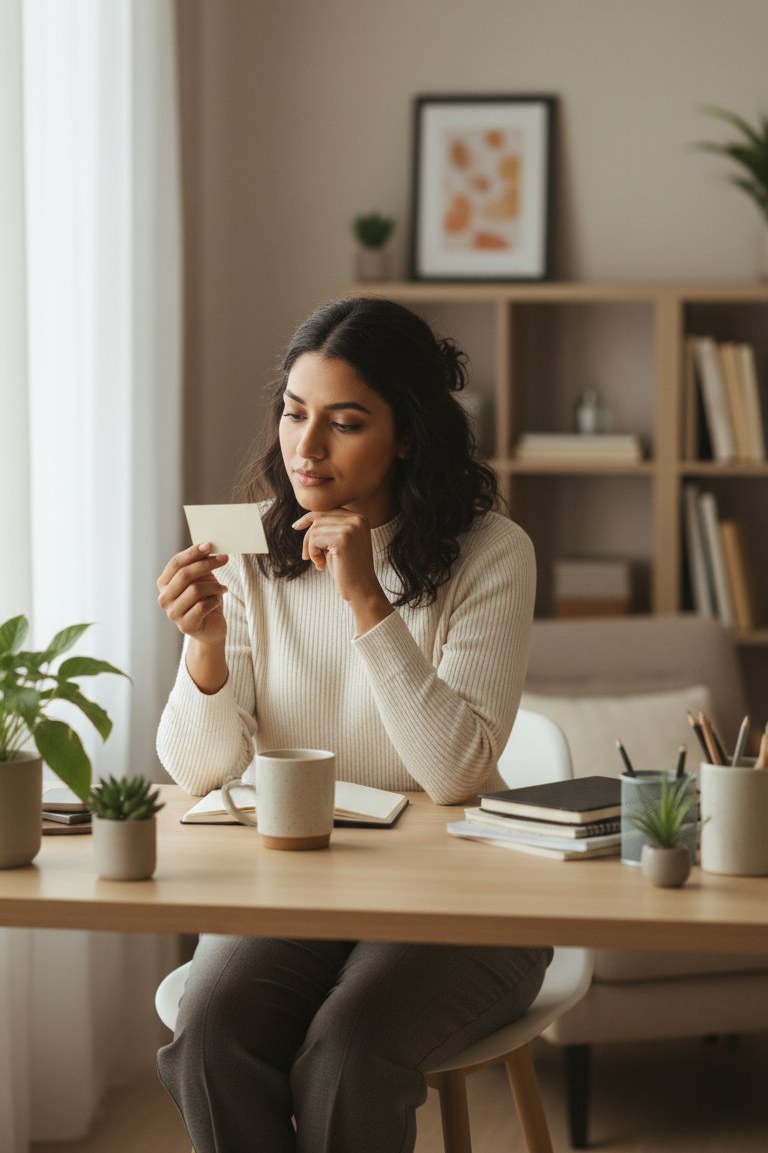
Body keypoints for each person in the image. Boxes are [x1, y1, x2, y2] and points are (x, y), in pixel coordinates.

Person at [155, 296, 546, 1153]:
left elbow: (454, 777)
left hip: (468, 900)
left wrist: (366, 598)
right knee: (207, 1035)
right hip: (305, 886)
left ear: (406, 434)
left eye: (345, 422)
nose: (307, 446)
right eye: (295, 414)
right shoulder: (257, 549)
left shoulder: (491, 554)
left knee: (348, 1051)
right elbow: (197, 772)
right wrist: (207, 650)